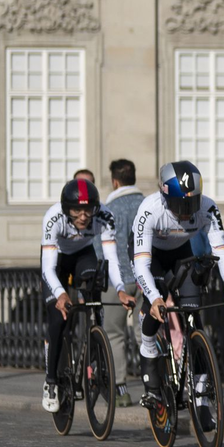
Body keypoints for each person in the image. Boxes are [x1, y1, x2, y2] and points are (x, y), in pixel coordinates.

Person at [133, 161, 224, 418]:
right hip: (153, 257)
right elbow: (141, 265)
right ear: (164, 196)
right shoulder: (150, 210)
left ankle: (201, 395)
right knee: (154, 304)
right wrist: (156, 298)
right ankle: (148, 348)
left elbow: (222, 252)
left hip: (181, 252)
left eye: (191, 206)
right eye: (180, 206)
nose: (185, 213)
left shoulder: (208, 207)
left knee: (195, 318)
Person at [40, 179, 132, 413]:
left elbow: (111, 259)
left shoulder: (105, 216)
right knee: (58, 318)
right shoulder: (53, 218)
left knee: (94, 292)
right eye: (76, 210)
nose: (83, 216)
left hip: (83, 255)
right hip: (58, 262)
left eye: (88, 210)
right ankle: (51, 381)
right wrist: (60, 294)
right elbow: (48, 269)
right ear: (66, 209)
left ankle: (95, 348)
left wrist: (120, 288)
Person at [102, 159, 145, 406]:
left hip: (115, 281)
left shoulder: (109, 208)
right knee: (145, 335)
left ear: (115, 181)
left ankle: (121, 390)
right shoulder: (146, 204)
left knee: (114, 335)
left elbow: (101, 248)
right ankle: (155, 384)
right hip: (143, 280)